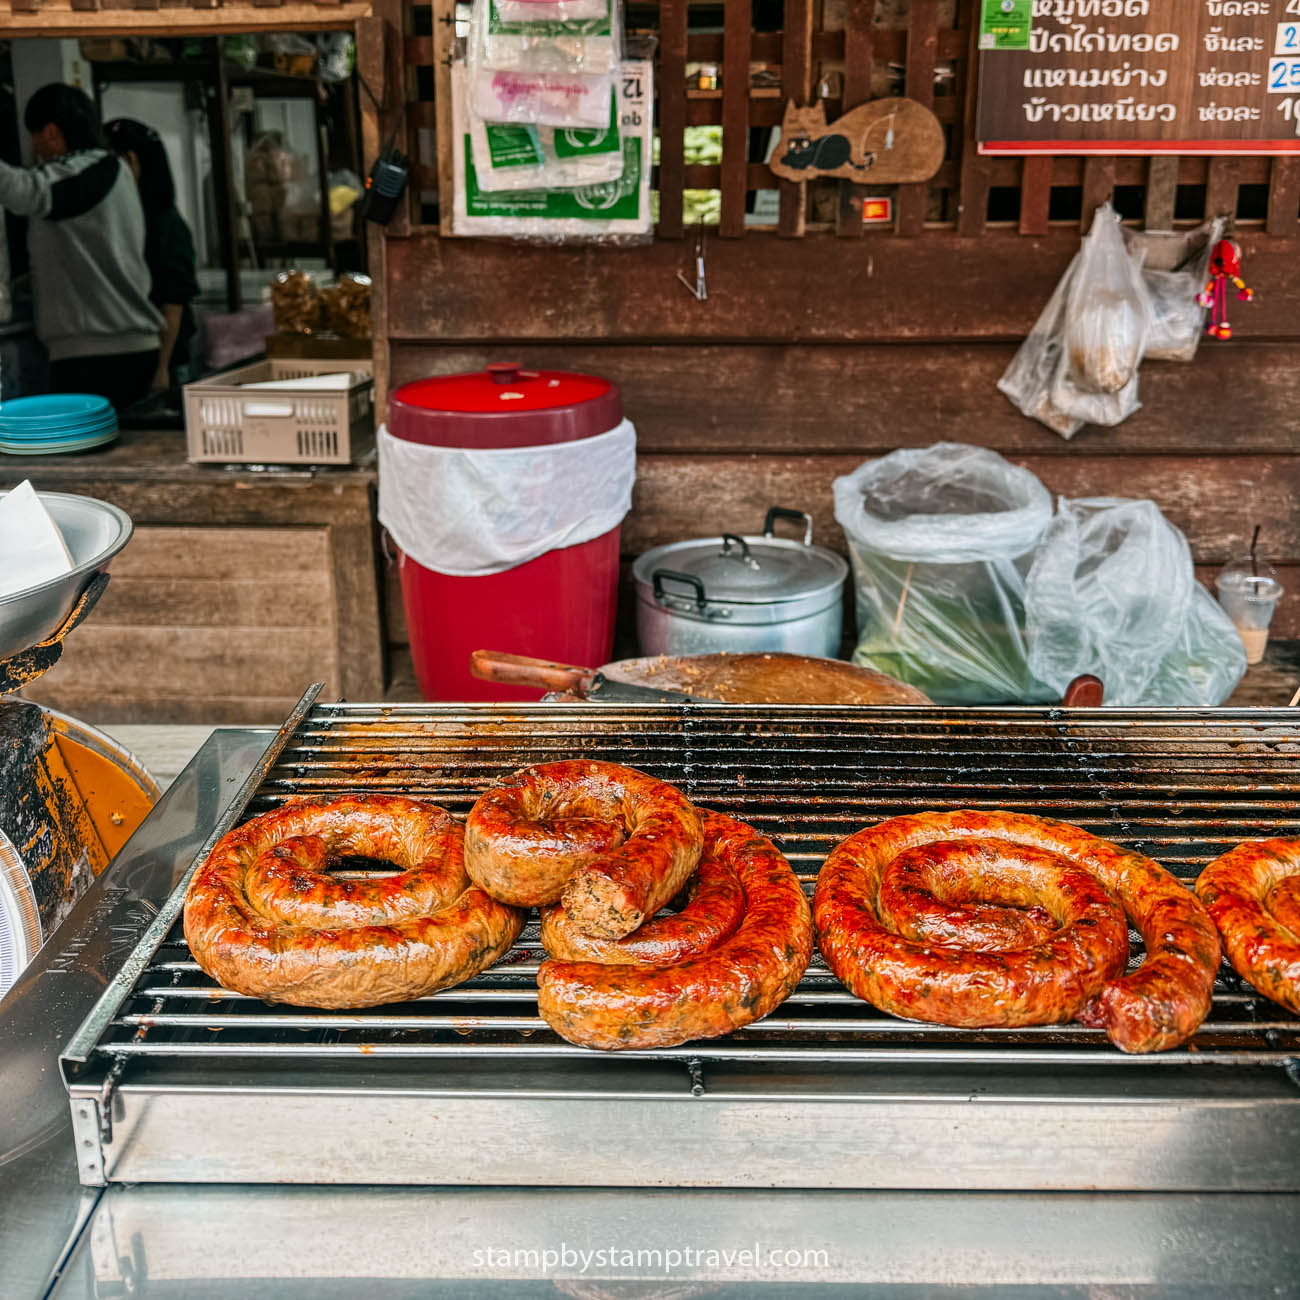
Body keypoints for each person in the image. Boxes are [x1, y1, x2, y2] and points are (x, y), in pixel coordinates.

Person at [0, 83, 162, 409]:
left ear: (51, 133)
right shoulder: (106, 173)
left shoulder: (97, 170)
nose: (35, 149)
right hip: (113, 348)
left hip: (103, 354)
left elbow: (27, 192)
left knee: (94, 456)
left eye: (34, 137)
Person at [105, 118, 199, 395]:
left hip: (161, 355)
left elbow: (173, 302)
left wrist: (162, 367)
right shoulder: (119, 217)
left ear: (130, 160)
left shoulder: (164, 223)